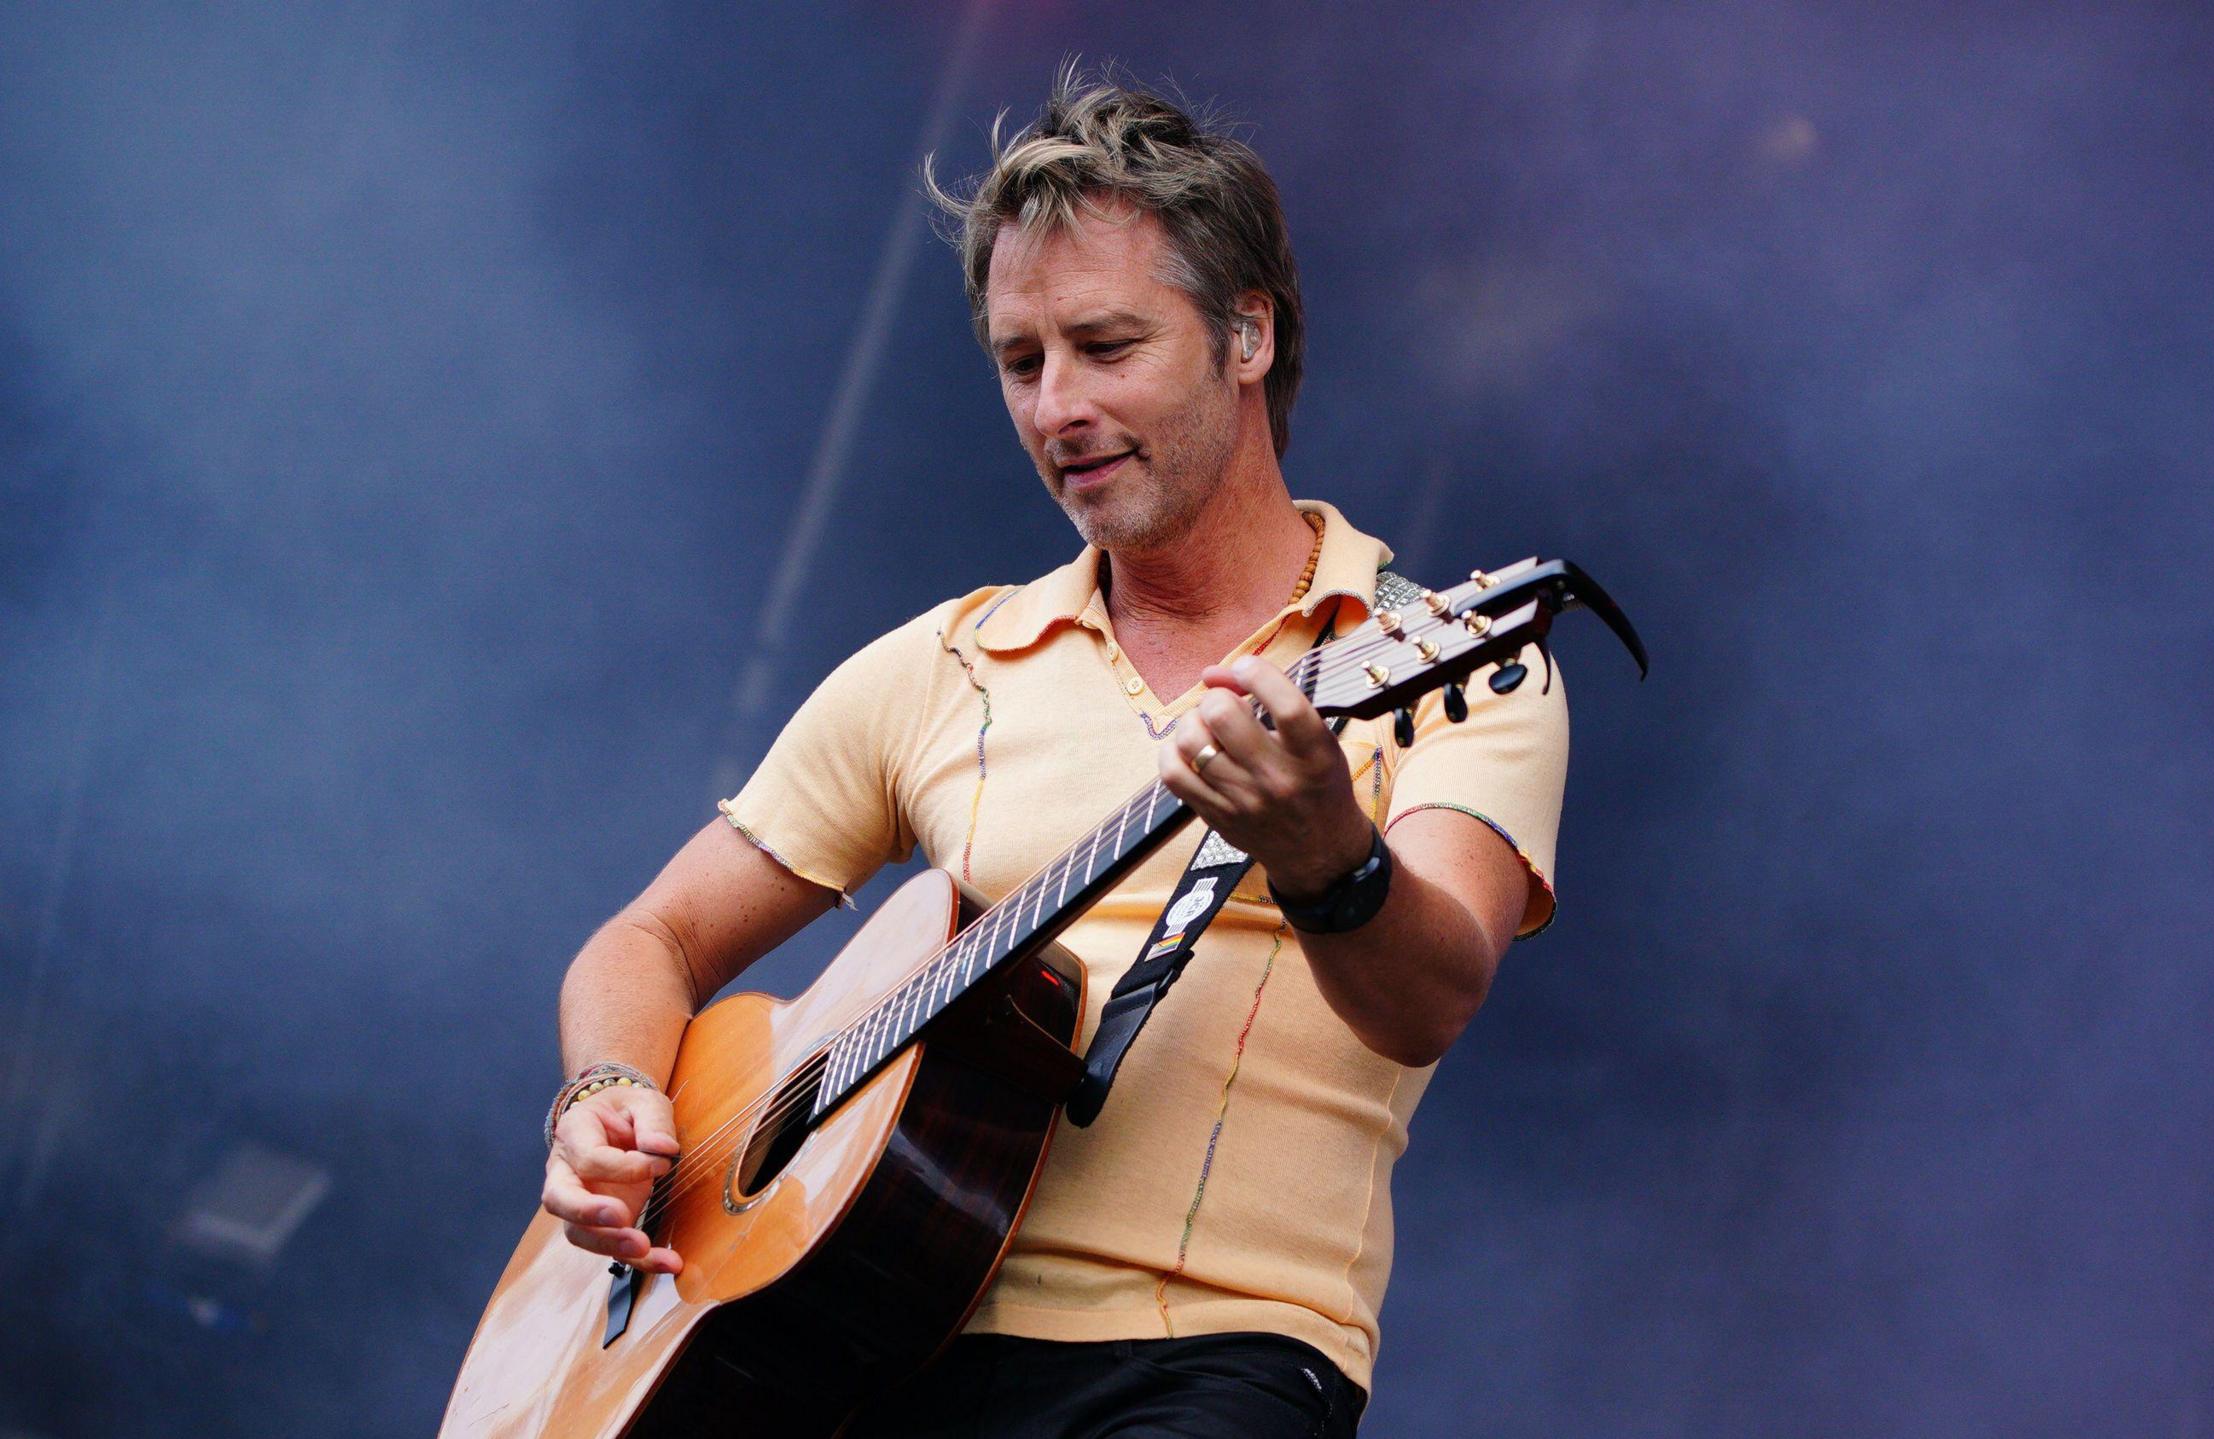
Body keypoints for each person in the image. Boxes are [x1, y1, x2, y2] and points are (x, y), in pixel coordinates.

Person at [535, 69, 1568, 1437]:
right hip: (865, 1348)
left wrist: (1328, 857)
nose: (1054, 406)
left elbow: (1429, 1000)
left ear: (1247, 334)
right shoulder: (942, 665)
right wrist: (606, 1096)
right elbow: (647, 942)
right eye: (1023, 363)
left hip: (1214, 1361)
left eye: (1104, 344)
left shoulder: (1448, 656)